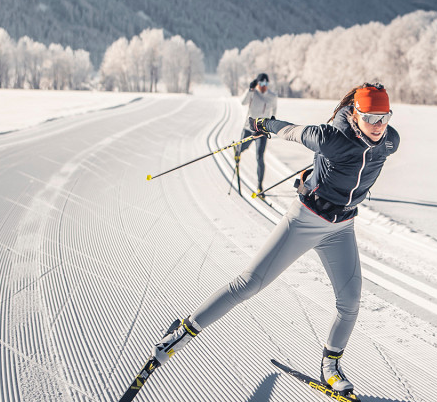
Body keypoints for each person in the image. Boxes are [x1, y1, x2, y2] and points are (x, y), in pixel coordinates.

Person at [149, 83, 398, 396]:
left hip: (341, 228)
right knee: (249, 283)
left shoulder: (390, 141)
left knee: (349, 303)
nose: (378, 125)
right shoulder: (331, 138)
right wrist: (262, 125)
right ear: (355, 115)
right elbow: (292, 131)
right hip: (306, 220)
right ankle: (182, 333)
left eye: (384, 117)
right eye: (370, 117)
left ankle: (330, 367)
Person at [236, 73, 278, 195]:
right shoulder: (253, 93)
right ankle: (237, 151)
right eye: (261, 84)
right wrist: (249, 90)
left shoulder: (272, 96)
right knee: (242, 148)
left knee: (260, 157)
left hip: (262, 131)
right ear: (258, 84)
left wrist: (273, 120)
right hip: (249, 128)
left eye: (266, 84)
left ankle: (260, 186)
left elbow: (274, 109)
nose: (263, 86)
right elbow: (242, 102)